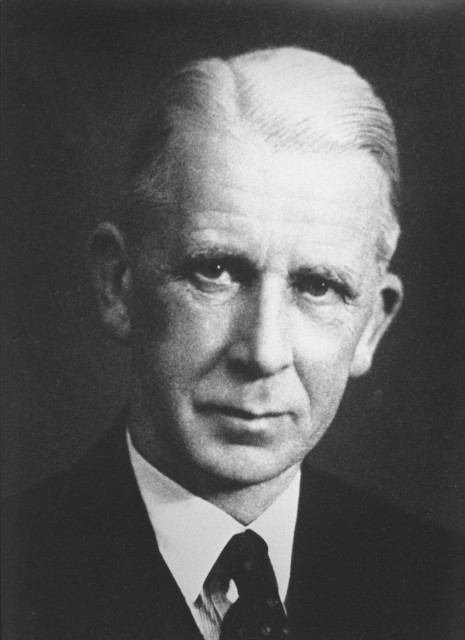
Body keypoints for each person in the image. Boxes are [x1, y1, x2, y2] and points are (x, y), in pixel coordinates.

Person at [3, 47, 462, 640]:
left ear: (371, 325)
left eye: (319, 287)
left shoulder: (441, 587)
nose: (264, 352)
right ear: (119, 284)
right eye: (215, 271)